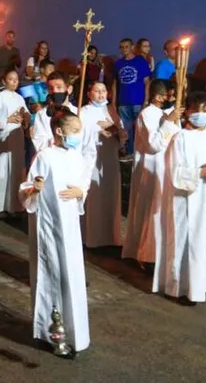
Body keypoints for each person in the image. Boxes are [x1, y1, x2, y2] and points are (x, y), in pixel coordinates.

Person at [19, 108, 91, 354]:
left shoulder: (76, 156)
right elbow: (28, 187)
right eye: (75, 131)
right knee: (52, 276)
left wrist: (81, 192)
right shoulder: (45, 156)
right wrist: (35, 189)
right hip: (50, 225)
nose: (78, 135)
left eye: (80, 131)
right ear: (59, 131)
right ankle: (51, 332)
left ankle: (76, 332)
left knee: (72, 276)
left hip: (70, 226)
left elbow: (83, 182)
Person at [154, 92, 206, 303]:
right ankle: (182, 285)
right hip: (185, 197)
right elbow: (173, 169)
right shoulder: (181, 138)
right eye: (196, 109)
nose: (201, 114)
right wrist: (199, 173)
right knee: (185, 239)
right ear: (187, 112)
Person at [122, 80, 181, 265]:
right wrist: (169, 123)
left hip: (168, 167)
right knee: (149, 209)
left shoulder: (166, 114)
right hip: (151, 167)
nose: (171, 99)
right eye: (169, 95)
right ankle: (144, 254)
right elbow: (154, 144)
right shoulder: (148, 114)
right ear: (158, 96)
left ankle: (160, 251)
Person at [79, 81, 125, 247]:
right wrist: (98, 131)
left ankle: (110, 236)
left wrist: (117, 131)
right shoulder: (84, 112)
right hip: (93, 159)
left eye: (104, 90)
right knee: (95, 196)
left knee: (110, 194)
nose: (101, 94)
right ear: (89, 93)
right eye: (97, 91)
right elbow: (80, 134)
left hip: (110, 159)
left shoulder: (111, 111)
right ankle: (92, 237)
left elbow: (121, 134)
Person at [0, 69, 29, 216]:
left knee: (15, 170)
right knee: (3, 170)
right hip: (2, 137)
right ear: (4, 81)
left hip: (16, 137)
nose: (14, 82)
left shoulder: (19, 98)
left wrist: (25, 119)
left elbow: (25, 113)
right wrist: (7, 120)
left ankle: (14, 206)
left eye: (16, 79)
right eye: (11, 79)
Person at [112, 38, 152, 156]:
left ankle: (141, 153)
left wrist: (146, 100)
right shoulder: (118, 64)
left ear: (132, 47)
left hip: (138, 101)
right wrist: (114, 102)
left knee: (140, 129)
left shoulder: (140, 62)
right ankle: (129, 153)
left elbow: (147, 82)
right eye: (122, 47)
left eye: (126, 46)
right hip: (123, 102)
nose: (124, 49)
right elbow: (115, 84)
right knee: (126, 130)